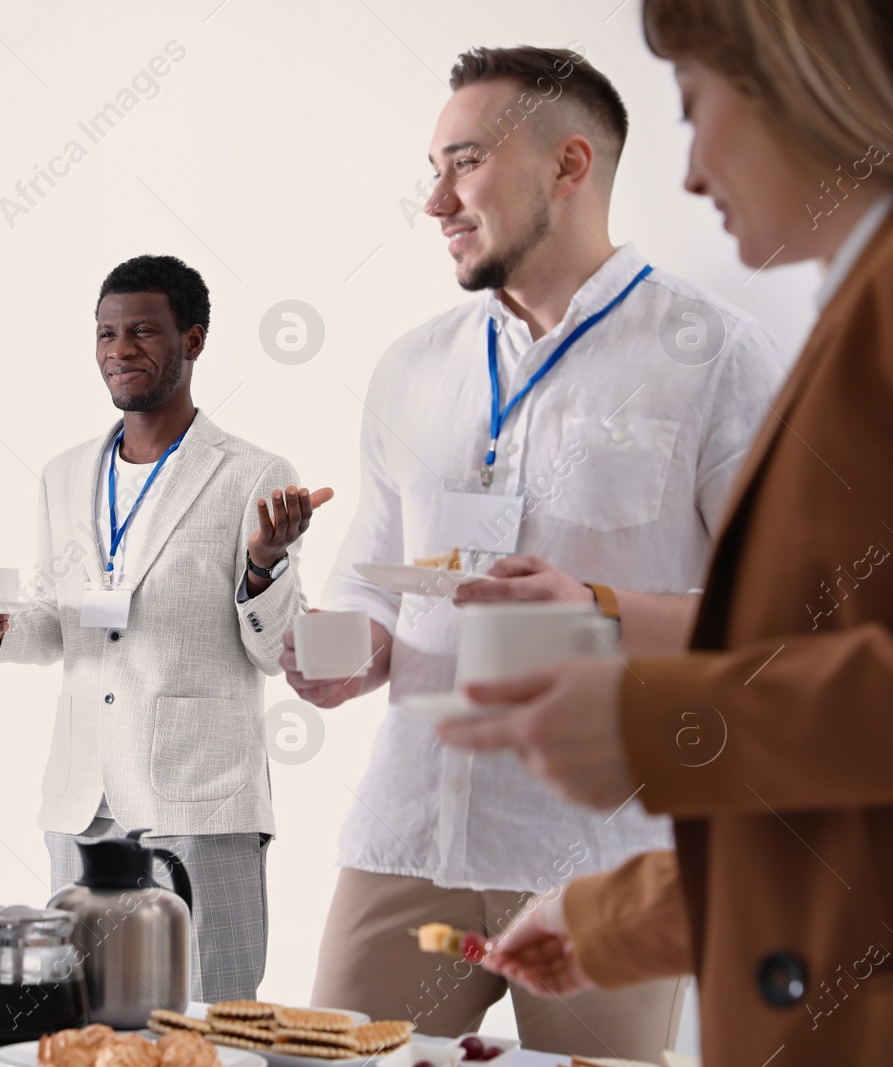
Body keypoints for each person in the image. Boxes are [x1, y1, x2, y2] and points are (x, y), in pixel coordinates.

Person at [285, 46, 788, 1059]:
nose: (435, 200)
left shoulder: (715, 356)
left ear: (568, 166)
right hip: (406, 833)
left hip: (604, 854)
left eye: (462, 162)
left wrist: (594, 606)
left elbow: (784, 623)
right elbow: (368, 575)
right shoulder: (413, 364)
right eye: (430, 168)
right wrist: (340, 648)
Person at [438, 5, 893, 1066]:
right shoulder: (844, 321)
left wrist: (658, 719)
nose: (687, 174)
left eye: (694, 110)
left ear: (802, 80)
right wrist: (623, 918)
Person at [0, 254, 332, 1002]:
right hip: (81, 798)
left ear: (193, 339)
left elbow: (271, 649)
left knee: (208, 1017)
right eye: (106, 333)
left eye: (143, 332)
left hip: (198, 797)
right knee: (83, 1012)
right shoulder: (64, 474)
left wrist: (263, 564)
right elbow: (59, 620)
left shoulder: (253, 473)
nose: (119, 350)